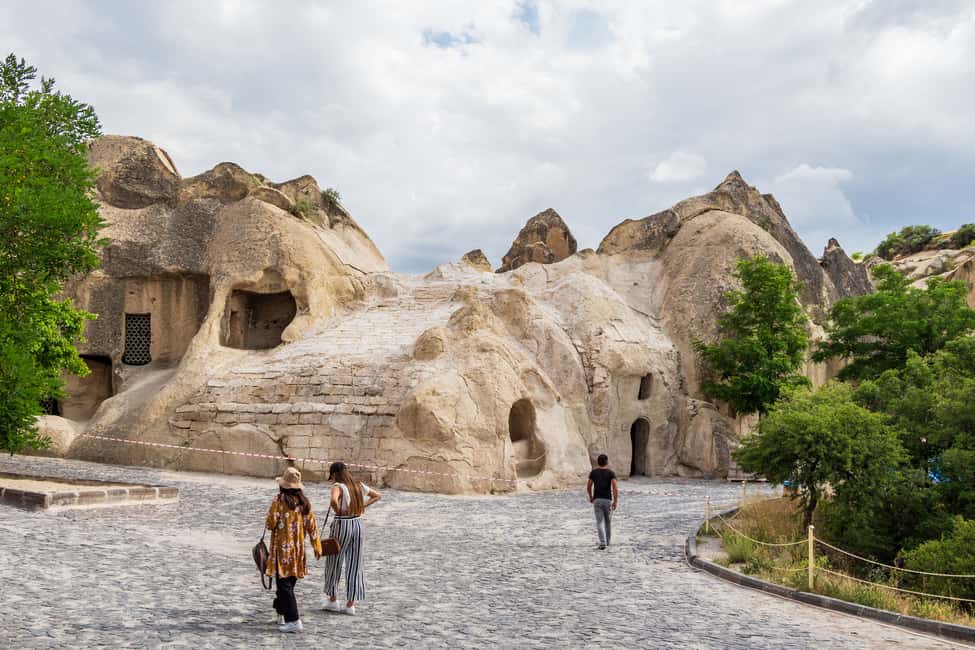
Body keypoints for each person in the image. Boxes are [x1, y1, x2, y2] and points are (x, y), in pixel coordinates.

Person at [265, 467, 322, 633]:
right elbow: (312, 527)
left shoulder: (279, 501)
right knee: (288, 583)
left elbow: (270, 524)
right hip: (297, 551)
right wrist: (317, 546)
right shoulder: (305, 504)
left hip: (282, 550)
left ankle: (294, 620)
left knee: (284, 585)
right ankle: (281, 611)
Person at [321, 461, 381, 615]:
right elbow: (377, 496)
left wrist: (339, 511)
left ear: (334, 474)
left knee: (334, 560)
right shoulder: (358, 485)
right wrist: (361, 507)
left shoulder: (338, 487)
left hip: (343, 524)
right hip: (358, 524)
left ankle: (333, 600)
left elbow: (333, 500)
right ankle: (350, 604)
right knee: (355, 563)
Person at [587, 454, 618, 549]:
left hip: (597, 500)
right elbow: (615, 488)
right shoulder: (611, 473)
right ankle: (608, 542)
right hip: (608, 500)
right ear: (607, 462)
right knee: (608, 522)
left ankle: (602, 542)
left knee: (599, 522)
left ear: (598, 462)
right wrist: (615, 501)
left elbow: (589, 486)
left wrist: (591, 496)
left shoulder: (593, 473)